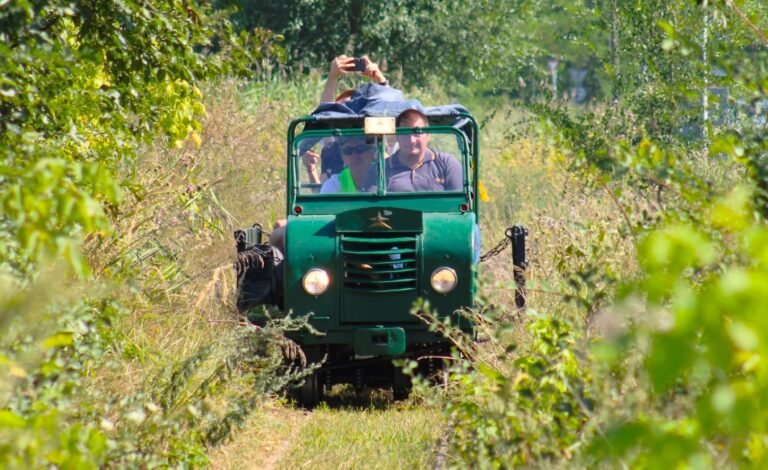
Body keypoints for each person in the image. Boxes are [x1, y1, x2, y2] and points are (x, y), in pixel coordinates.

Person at [303, 55, 389, 185]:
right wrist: (332, 77)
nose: (349, 112)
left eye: (353, 106)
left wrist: (380, 79)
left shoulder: (375, 142)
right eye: (342, 108)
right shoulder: (332, 147)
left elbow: (391, 109)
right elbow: (325, 114)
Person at [385, 109, 463, 192]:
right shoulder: (382, 169)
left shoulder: (446, 164)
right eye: (405, 133)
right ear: (397, 137)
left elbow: (461, 198)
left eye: (417, 133)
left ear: (428, 135)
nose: (411, 140)